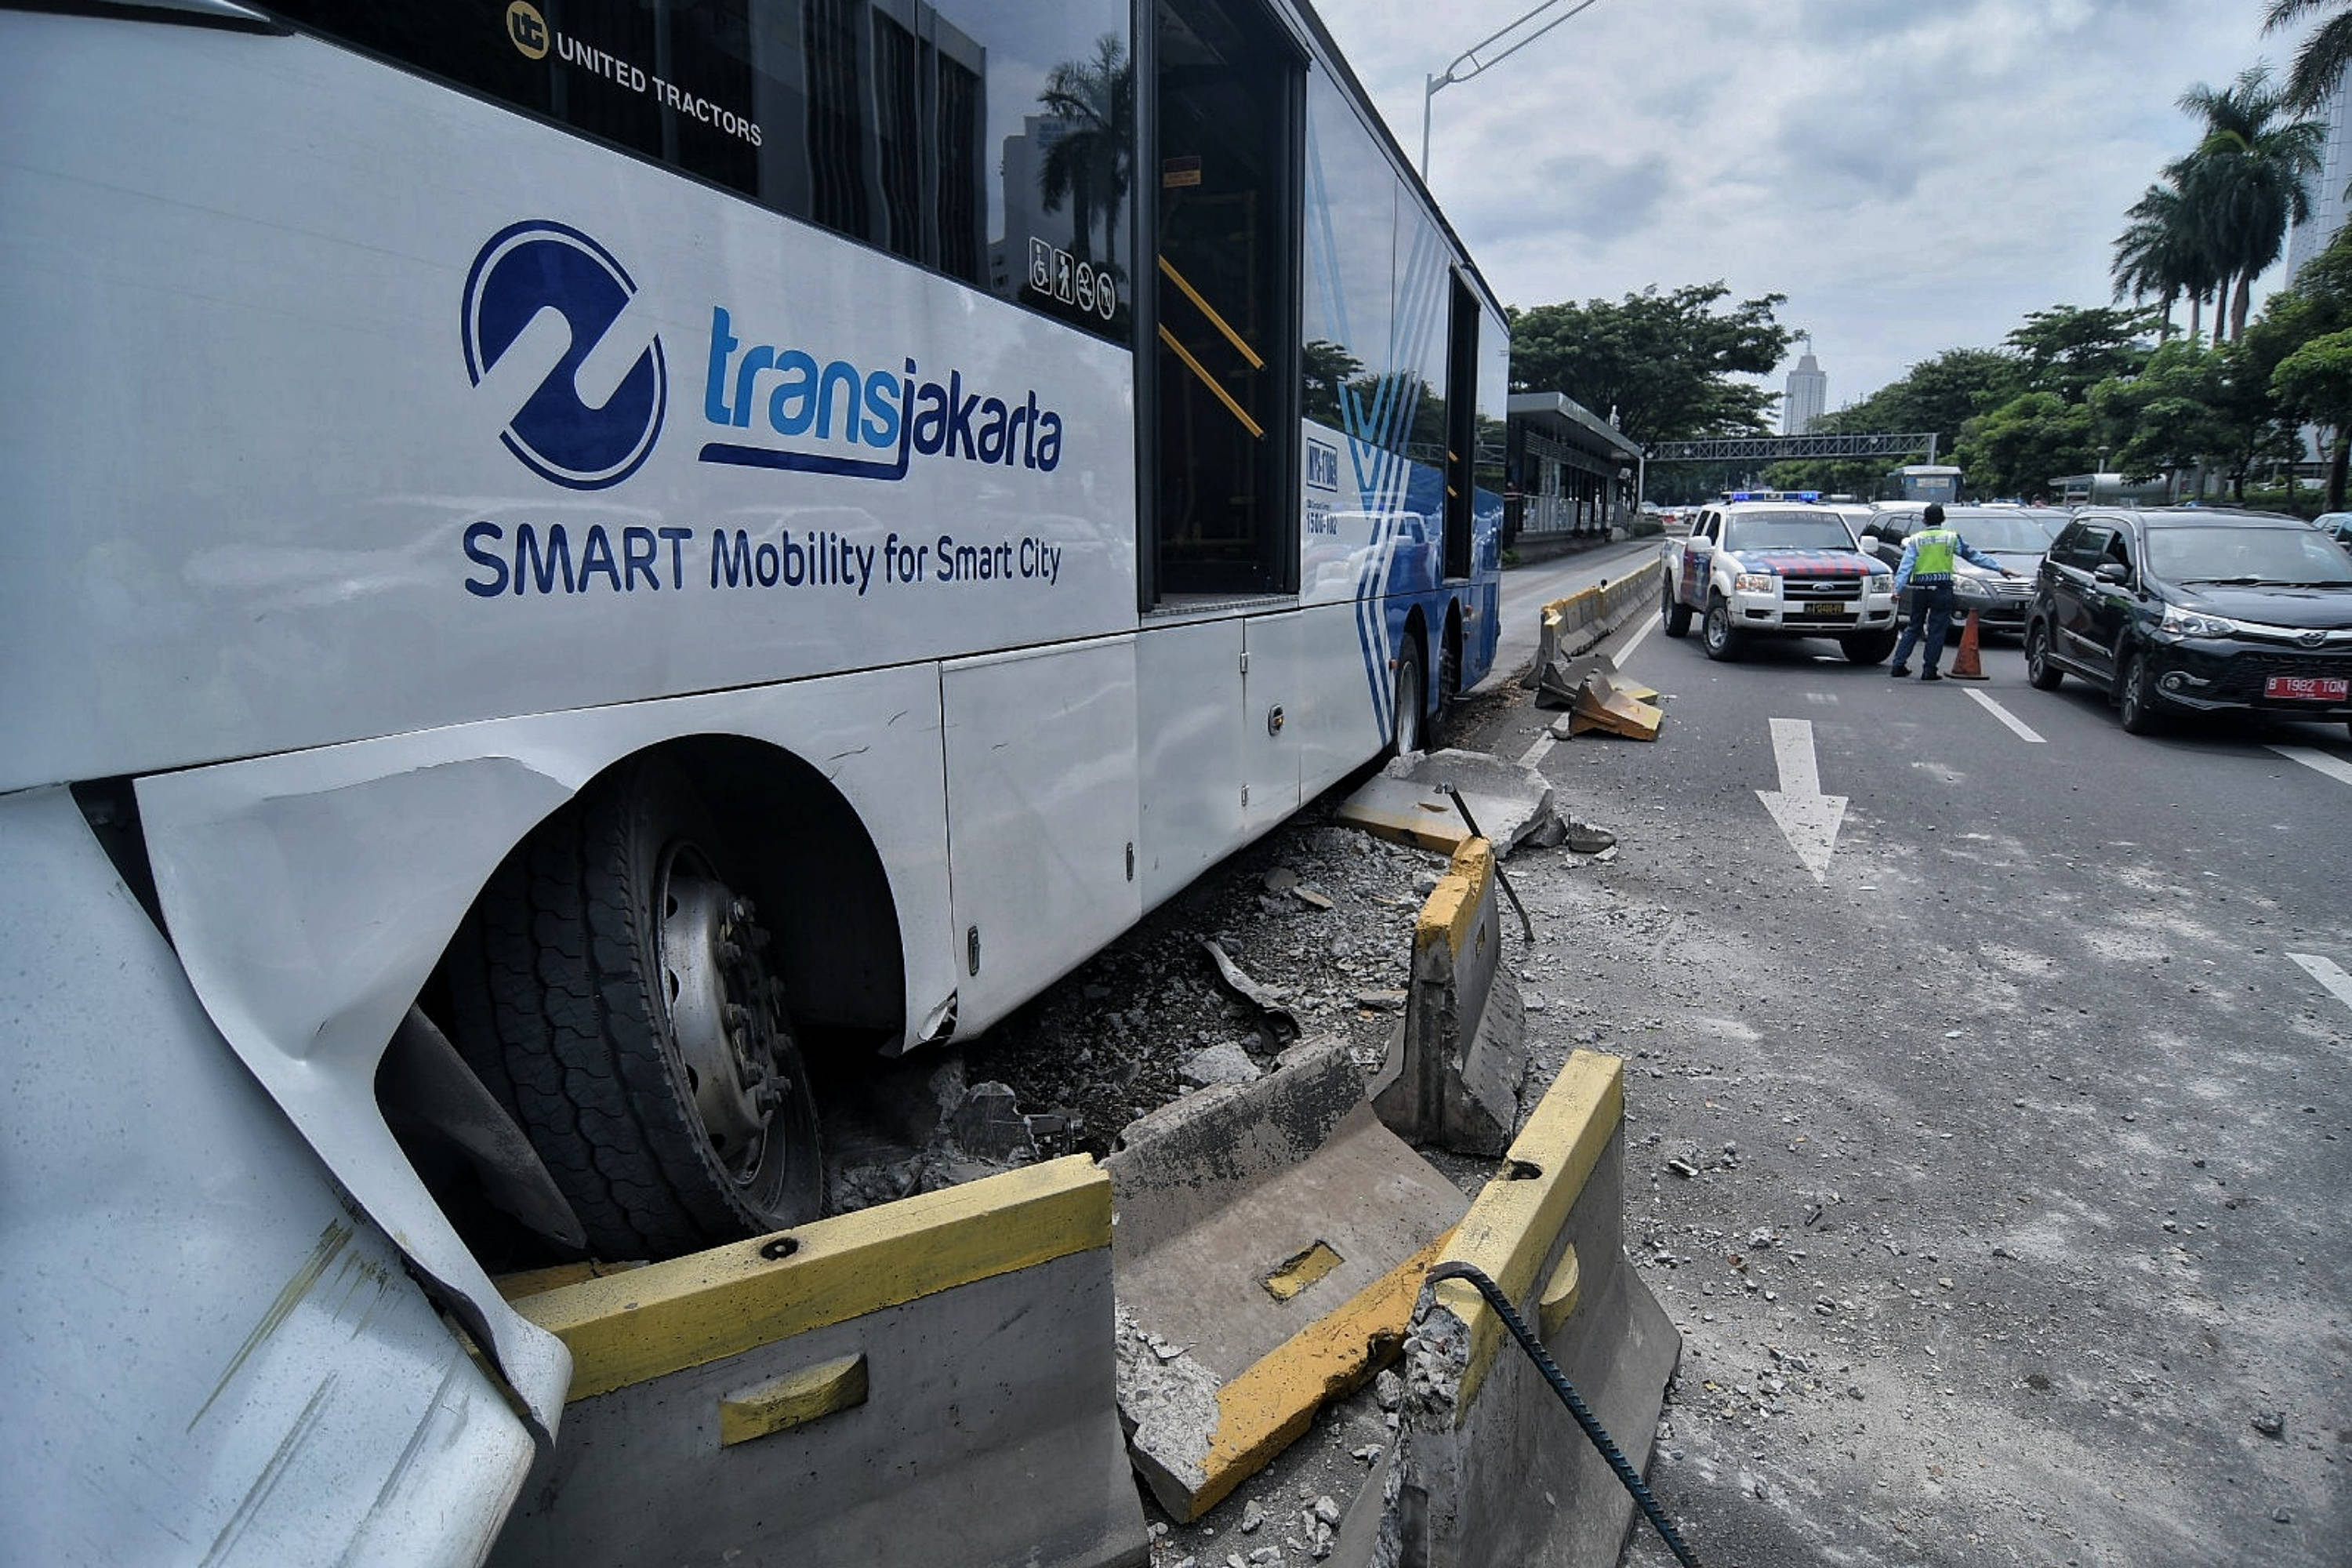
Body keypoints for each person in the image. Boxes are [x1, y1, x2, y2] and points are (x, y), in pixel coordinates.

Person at [1888, 503, 2019, 681]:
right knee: (1937, 630)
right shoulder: (1951, 538)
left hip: (1920, 589)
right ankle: (1929, 670)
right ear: (1943, 519)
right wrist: (2000, 569)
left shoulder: (1916, 540)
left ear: (1924, 520)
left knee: (1913, 627)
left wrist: (1897, 589)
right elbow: (1974, 556)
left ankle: (1898, 664)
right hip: (1942, 589)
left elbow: (1905, 567)